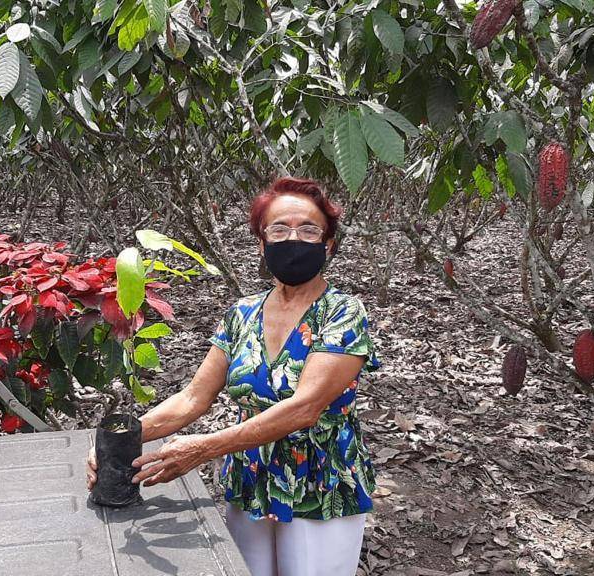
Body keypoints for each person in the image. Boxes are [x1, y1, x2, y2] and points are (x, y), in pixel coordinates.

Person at [87, 176, 381, 576]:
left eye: (308, 229)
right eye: (279, 229)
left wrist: (204, 448)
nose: (293, 238)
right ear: (262, 243)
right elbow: (194, 397)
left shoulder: (343, 313)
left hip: (321, 481)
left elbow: (305, 408)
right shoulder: (242, 314)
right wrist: (122, 442)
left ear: (327, 245)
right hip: (252, 479)